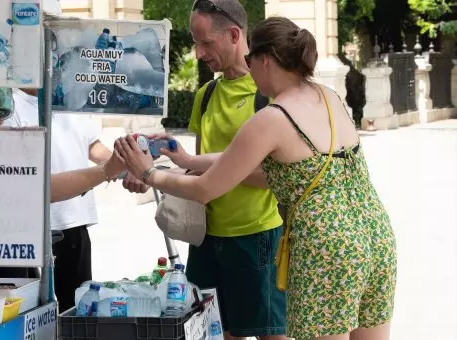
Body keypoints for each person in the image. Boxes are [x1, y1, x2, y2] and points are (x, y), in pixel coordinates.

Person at [115, 16, 397, 340]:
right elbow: (246, 158)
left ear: (264, 60)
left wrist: (148, 173)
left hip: (327, 247)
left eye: (251, 60)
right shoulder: (328, 97)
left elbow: (205, 189)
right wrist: (188, 159)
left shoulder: (272, 118)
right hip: (376, 235)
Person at [156, 1, 288, 339]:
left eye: (206, 43)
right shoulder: (206, 94)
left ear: (233, 35)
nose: (198, 53)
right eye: (195, 43)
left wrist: (221, 173)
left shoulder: (270, 95)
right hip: (206, 239)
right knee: (215, 334)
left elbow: (277, 178)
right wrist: (148, 168)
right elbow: (199, 170)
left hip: (256, 238)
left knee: (272, 334)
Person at [0, 88, 135, 311]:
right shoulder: (8, 106)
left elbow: (94, 147)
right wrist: (111, 169)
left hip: (76, 222)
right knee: (36, 311)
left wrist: (131, 164)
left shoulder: (72, 99)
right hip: (33, 229)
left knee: (77, 307)